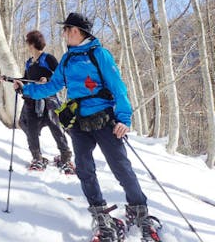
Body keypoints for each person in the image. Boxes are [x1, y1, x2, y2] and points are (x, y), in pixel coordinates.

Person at [12, 13, 161, 242]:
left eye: (65, 30)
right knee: (84, 168)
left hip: (105, 121)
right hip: (78, 124)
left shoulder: (99, 54)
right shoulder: (67, 59)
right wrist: (25, 90)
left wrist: (123, 119)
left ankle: (138, 210)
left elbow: (118, 87)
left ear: (75, 31)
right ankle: (100, 214)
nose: (62, 34)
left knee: (121, 167)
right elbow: (52, 86)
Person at [18, 30, 74, 172]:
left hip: (50, 101)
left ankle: (65, 157)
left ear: (32, 44)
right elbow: (26, 80)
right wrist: (17, 83)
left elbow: (60, 77)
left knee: (56, 128)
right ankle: (37, 158)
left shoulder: (48, 58)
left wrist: (47, 80)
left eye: (27, 42)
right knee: (29, 128)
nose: (26, 45)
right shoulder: (29, 63)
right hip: (32, 101)